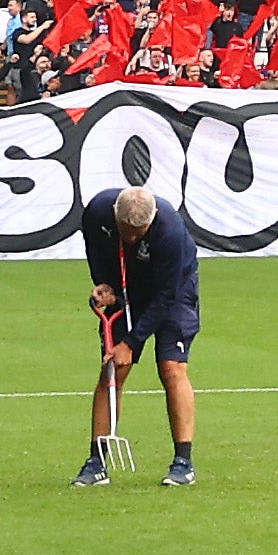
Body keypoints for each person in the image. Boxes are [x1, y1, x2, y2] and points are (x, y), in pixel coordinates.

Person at [73, 183, 203, 489]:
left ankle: (183, 463)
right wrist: (104, 282)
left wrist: (131, 342)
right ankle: (96, 462)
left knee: (172, 367)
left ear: (152, 218)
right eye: (124, 230)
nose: (130, 237)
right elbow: (95, 247)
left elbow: (166, 298)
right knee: (113, 370)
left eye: (138, 233)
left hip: (173, 291)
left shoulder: (170, 233)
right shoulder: (96, 212)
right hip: (126, 284)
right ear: (115, 214)